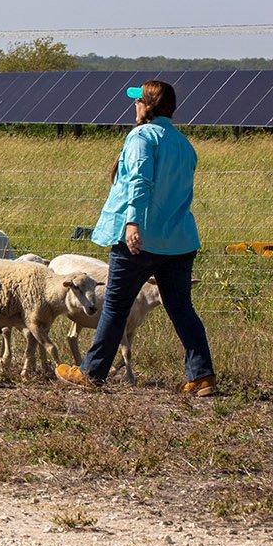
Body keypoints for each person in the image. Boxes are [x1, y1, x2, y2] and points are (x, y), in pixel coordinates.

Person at [58, 80, 218, 397]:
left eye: (138, 101)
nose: (134, 105)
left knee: (115, 306)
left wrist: (133, 223)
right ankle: (202, 377)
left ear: (148, 106)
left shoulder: (141, 137)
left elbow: (140, 182)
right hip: (179, 240)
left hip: (140, 240)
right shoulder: (183, 144)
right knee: (181, 309)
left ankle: (91, 373)